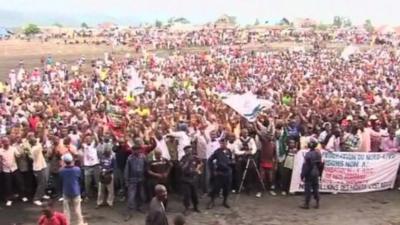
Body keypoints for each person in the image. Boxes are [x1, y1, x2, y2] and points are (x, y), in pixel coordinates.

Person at [59, 153, 87, 225]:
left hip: (66, 191)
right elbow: (80, 179)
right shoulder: (77, 169)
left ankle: (66, 223)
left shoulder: (61, 170)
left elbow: (61, 180)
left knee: (66, 210)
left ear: (64, 161)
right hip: (76, 191)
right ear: (72, 161)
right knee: (77, 209)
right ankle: (80, 223)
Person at [207, 139, 233, 209]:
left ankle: (225, 201)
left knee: (226, 188)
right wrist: (213, 170)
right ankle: (212, 201)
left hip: (227, 173)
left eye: (224, 143)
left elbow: (231, 159)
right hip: (219, 173)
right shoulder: (217, 152)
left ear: (226, 143)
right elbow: (210, 160)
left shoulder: (229, 151)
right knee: (215, 188)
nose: (223, 145)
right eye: (221, 143)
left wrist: (231, 163)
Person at [124, 141, 147, 221]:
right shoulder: (130, 158)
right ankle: (129, 213)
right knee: (131, 196)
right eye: (134, 150)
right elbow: (126, 170)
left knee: (141, 194)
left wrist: (145, 177)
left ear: (140, 150)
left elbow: (146, 167)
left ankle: (140, 207)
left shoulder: (143, 157)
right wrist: (126, 181)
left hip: (141, 178)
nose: (136, 151)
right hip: (132, 179)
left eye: (137, 150)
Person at [300, 138, 323, 209]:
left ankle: (306, 204)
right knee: (315, 187)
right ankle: (317, 203)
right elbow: (320, 165)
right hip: (316, 172)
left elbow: (306, 166)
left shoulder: (308, 154)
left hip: (309, 172)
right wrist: (319, 174)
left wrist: (302, 174)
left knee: (308, 188)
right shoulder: (318, 153)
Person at [179, 146, 202, 215]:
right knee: (187, 195)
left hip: (193, 178)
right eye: (187, 150)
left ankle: (195, 206)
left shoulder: (195, 157)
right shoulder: (183, 159)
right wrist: (188, 161)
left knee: (194, 194)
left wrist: (197, 169)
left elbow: (201, 163)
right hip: (186, 179)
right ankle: (187, 208)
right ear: (185, 151)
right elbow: (182, 168)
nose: (189, 151)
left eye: (190, 150)